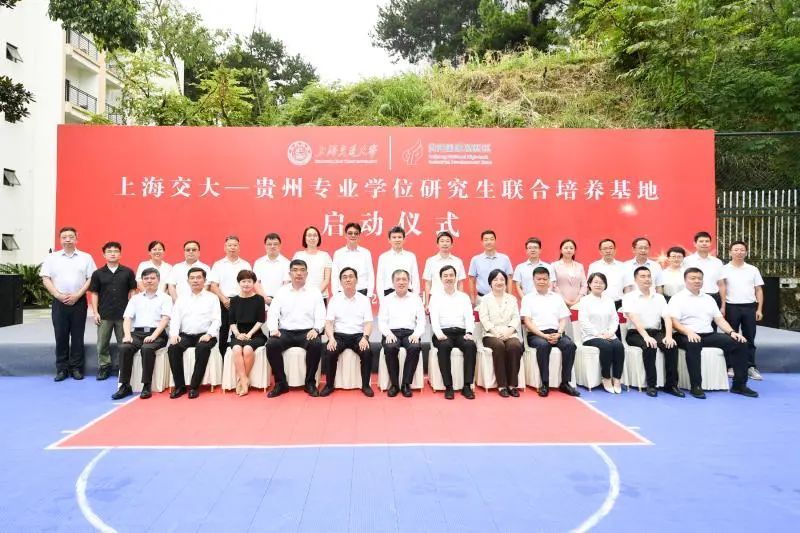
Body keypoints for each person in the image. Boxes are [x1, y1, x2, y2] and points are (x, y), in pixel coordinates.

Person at [668, 267, 758, 399]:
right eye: (693, 278)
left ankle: (739, 385)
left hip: (708, 334)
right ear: (685, 280)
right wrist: (688, 332)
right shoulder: (677, 298)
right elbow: (674, 322)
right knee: (694, 344)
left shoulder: (708, 299)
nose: (697, 281)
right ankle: (696, 386)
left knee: (740, 343)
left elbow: (719, 319)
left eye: (699, 278)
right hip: (684, 334)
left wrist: (732, 332)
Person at [41, 226, 97, 381]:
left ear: (76, 239)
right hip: (59, 302)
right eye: (64, 237)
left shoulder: (86, 257)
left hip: (78, 301)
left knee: (78, 336)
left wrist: (78, 295)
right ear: (60, 239)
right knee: (61, 336)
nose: (68, 240)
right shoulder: (52, 258)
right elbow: (45, 278)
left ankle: (76, 368)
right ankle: (62, 369)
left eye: (71, 237)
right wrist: (57, 295)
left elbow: (91, 278)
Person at [265, 259, 325, 398]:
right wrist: (273, 329)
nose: (299, 273)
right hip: (285, 332)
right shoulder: (281, 291)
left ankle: (310, 383)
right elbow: (273, 313)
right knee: (272, 344)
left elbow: (321, 314)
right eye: (295, 270)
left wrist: (316, 329)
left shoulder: (314, 292)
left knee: (316, 344)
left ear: (307, 273)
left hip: (307, 332)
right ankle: (281, 383)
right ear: (289, 273)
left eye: (302, 270)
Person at [621, 266, 681, 398]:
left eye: (648, 276)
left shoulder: (659, 297)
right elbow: (633, 318)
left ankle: (671, 385)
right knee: (649, 346)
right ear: (635, 280)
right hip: (636, 333)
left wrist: (669, 336)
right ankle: (651, 385)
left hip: (656, 332)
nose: (647, 279)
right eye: (642, 276)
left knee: (671, 346)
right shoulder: (629, 297)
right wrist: (646, 336)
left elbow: (667, 317)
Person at [520, 267, 581, 398]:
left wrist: (559, 333)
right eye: (539, 279)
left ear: (549, 280)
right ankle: (545, 383)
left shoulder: (557, 298)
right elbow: (527, 321)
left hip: (556, 332)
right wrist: (543, 335)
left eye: (545, 279)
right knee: (543, 345)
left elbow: (563, 318)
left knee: (570, 345)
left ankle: (565, 383)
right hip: (536, 334)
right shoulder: (527, 298)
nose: (542, 281)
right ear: (533, 280)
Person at [112, 267, 171, 400]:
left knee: (147, 348)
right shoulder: (135, 299)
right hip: (137, 334)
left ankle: (146, 385)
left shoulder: (165, 298)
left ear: (158, 280)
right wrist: (127, 335)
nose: (149, 281)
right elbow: (127, 318)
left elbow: (165, 319)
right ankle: (125, 385)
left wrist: (153, 336)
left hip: (157, 333)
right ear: (142, 281)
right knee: (124, 347)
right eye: (146, 278)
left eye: (152, 278)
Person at [168, 267, 221, 399]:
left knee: (202, 348)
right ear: (188, 281)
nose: (195, 280)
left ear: (204, 280)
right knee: (173, 348)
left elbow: (217, 320)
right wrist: (174, 334)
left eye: (198, 278)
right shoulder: (181, 299)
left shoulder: (212, 298)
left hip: (205, 335)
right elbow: (175, 319)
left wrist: (209, 334)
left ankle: (194, 387)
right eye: (192, 278)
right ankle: (180, 386)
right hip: (186, 335)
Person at [321, 267, 375, 397]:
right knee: (330, 351)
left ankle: (365, 385)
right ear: (340, 281)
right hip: (339, 336)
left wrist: (365, 337)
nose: (348, 279)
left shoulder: (364, 299)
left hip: (358, 336)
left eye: (351, 276)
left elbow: (368, 323)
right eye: (344, 277)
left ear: (356, 280)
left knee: (367, 351)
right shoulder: (335, 299)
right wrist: (331, 338)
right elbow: (329, 323)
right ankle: (329, 385)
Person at [88, 241, 137, 380]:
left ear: (120, 254)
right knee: (102, 344)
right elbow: (94, 293)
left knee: (124, 343)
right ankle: (104, 367)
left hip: (123, 315)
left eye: (115, 251)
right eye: (109, 251)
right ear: (104, 255)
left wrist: (132, 311)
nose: (112, 254)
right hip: (104, 314)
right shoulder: (97, 274)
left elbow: (132, 291)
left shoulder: (128, 272)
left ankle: (124, 368)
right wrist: (95, 312)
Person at [429, 265, 477, 400]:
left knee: (470, 345)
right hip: (443, 332)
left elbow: (469, 317)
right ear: (441, 279)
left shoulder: (463, 297)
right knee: (444, 346)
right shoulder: (436, 297)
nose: (448, 278)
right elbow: (434, 319)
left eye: (451, 275)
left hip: (461, 332)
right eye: (445, 276)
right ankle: (448, 386)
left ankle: (467, 386)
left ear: (456, 278)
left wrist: (469, 332)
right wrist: (439, 334)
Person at [719, 240, 765, 381]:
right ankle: (731, 366)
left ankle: (750, 366)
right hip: (731, 306)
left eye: (742, 250)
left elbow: (758, 289)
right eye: (736, 249)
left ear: (746, 252)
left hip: (749, 307)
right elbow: (722, 288)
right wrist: (723, 306)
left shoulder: (752, 269)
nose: (739, 252)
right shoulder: (724, 269)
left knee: (750, 337)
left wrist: (759, 309)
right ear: (730, 252)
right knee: (731, 337)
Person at [378, 269, 425, 397]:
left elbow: (421, 320)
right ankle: (394, 384)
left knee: (414, 347)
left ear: (409, 282)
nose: (401, 282)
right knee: (390, 347)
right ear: (393, 282)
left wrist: (416, 334)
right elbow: (382, 321)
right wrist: (388, 334)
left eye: (404, 279)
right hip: (391, 332)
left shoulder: (415, 299)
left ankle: (406, 384)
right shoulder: (386, 299)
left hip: (410, 333)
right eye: (398, 279)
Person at [479, 269, 523, 398]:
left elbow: (516, 318)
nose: (499, 282)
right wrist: (496, 332)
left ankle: (512, 385)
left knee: (515, 346)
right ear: (490, 283)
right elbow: (484, 319)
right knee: (499, 346)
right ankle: (502, 385)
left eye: (502, 279)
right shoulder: (485, 299)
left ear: (506, 282)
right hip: (491, 334)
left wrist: (509, 331)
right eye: (495, 279)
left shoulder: (512, 299)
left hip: (509, 332)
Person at [579, 272, 625, 394]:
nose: (598, 285)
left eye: (601, 282)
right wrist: (598, 334)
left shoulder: (609, 301)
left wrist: (610, 332)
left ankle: (617, 378)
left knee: (619, 346)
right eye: (595, 282)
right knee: (606, 346)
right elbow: (583, 321)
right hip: (591, 336)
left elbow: (615, 319)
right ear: (589, 284)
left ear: (605, 285)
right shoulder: (584, 301)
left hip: (608, 334)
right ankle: (606, 377)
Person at [209, 235, 252, 357]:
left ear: (239, 247)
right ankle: (222, 359)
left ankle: (239, 357)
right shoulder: (218, 264)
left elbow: (249, 284)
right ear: (225, 247)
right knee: (223, 331)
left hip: (242, 301)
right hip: (223, 302)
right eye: (230, 245)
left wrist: (239, 299)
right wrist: (224, 300)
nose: (232, 247)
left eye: (235, 245)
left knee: (241, 331)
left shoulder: (245, 264)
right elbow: (213, 285)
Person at [228, 270, 267, 396]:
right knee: (237, 348)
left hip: (255, 333)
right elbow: (231, 322)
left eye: (249, 281)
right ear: (239, 283)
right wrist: (237, 334)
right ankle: (244, 379)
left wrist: (250, 334)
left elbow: (261, 320)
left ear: (253, 283)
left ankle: (242, 380)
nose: (246, 284)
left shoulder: (259, 299)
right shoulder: (234, 300)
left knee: (248, 349)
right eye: (243, 281)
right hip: (238, 333)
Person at [422, 231, 466, 310]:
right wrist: (427, 303)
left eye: (447, 241)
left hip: (454, 299)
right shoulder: (430, 261)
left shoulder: (458, 261)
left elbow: (460, 284)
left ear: (452, 244)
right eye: (442, 241)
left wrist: (461, 301)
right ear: (437, 244)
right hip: (436, 299)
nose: (445, 244)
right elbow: (428, 283)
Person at [468, 229, 513, 305]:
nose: (489, 242)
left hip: (501, 298)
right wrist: (472, 299)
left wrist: (509, 297)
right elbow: (471, 280)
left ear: (495, 241)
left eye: (491, 239)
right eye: (486, 240)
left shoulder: (504, 258)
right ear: (482, 242)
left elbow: (509, 279)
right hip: (482, 299)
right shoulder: (476, 259)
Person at [376, 226, 420, 300]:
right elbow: (380, 280)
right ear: (389, 240)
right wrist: (382, 300)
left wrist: (415, 298)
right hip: (389, 294)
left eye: (399, 237)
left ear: (404, 239)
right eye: (394, 237)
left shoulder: (411, 256)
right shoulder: (383, 257)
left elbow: (415, 279)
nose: (397, 240)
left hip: (408, 294)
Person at [331, 222, 374, 298]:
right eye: (350, 233)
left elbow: (370, 274)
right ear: (345, 235)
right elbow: (335, 276)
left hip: (362, 291)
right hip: (342, 292)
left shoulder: (366, 253)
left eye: (356, 233)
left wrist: (369, 294)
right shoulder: (338, 253)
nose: (353, 235)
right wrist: (335, 295)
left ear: (359, 235)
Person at [683, 231, 724, 310]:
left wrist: (723, 306)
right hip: (692, 298)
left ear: (710, 243)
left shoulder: (717, 262)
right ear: (695, 244)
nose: (704, 243)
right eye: (701, 241)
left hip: (714, 298)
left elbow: (721, 284)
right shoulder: (687, 261)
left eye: (707, 241)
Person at [292, 226, 332, 301]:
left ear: (319, 238)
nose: (312, 238)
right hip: (300, 296)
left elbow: (326, 280)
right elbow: (294, 277)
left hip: (320, 297)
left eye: (315, 235)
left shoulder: (325, 256)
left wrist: (315, 294)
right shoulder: (298, 255)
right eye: (309, 235)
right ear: (305, 238)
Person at [587, 238, 626, 310]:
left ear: (615, 250)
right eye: (605, 248)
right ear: (600, 251)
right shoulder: (594, 266)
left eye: (611, 248)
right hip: (599, 303)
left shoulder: (623, 266)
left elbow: (627, 287)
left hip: (619, 304)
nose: (608, 251)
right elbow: (589, 287)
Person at [253, 232, 290, 307]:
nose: (272, 246)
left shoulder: (287, 263)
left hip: (281, 302)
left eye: (275, 244)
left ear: (280, 246)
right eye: (269, 244)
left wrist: (276, 300)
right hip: (262, 301)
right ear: (265, 246)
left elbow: (286, 283)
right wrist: (265, 298)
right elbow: (256, 282)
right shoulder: (259, 262)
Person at [552, 238, 587, 309]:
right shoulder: (554, 265)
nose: (569, 250)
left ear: (574, 251)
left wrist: (577, 300)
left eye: (571, 248)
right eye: (566, 248)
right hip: (560, 302)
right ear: (561, 250)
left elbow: (584, 285)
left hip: (578, 303)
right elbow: (554, 286)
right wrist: (566, 301)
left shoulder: (580, 266)